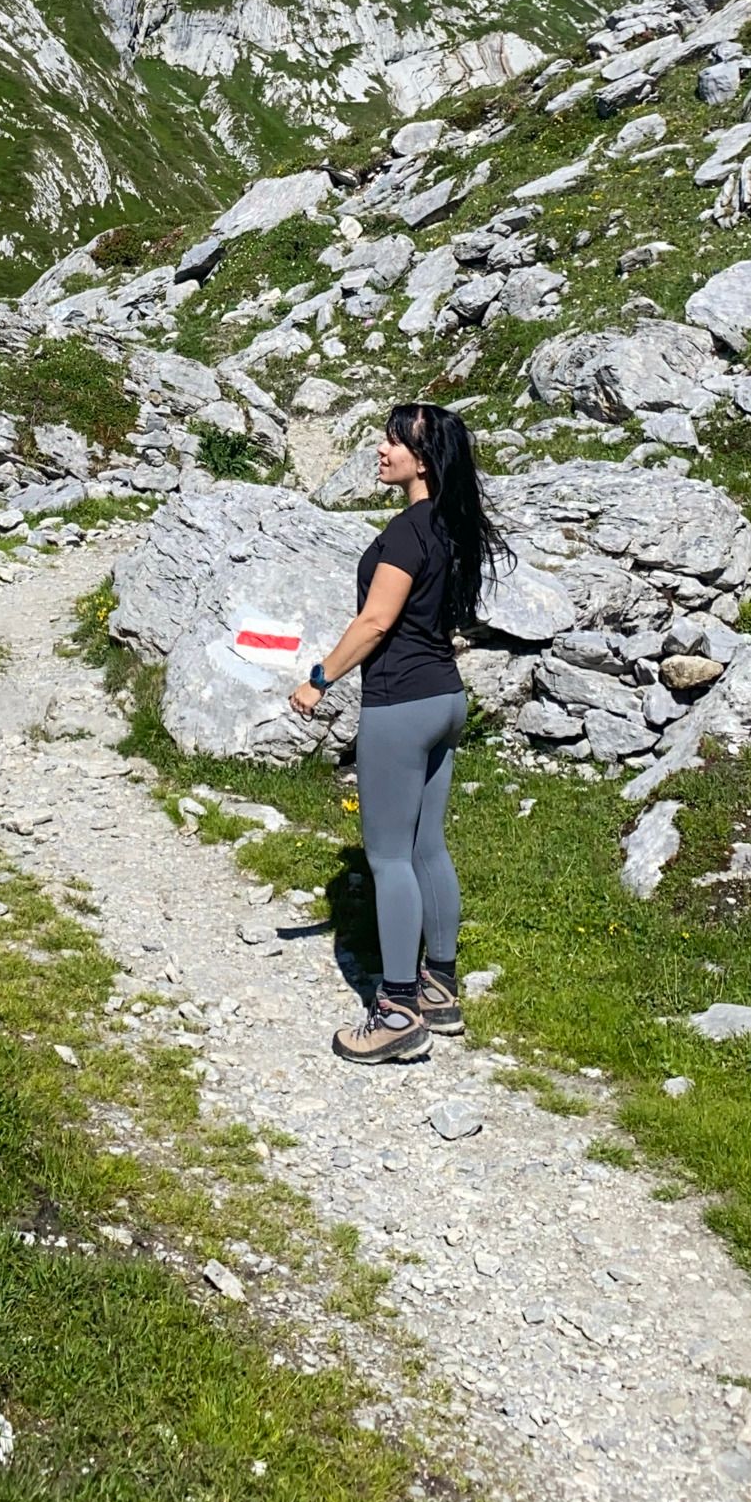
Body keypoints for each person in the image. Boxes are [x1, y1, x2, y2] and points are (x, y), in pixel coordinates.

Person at [289, 400, 509, 1063]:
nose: (381, 451)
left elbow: (375, 622)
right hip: (445, 697)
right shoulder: (451, 525)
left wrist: (319, 678)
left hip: (400, 703)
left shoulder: (408, 531)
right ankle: (440, 987)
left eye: (394, 442)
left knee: (388, 858)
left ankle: (396, 1010)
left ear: (423, 459)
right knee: (426, 848)